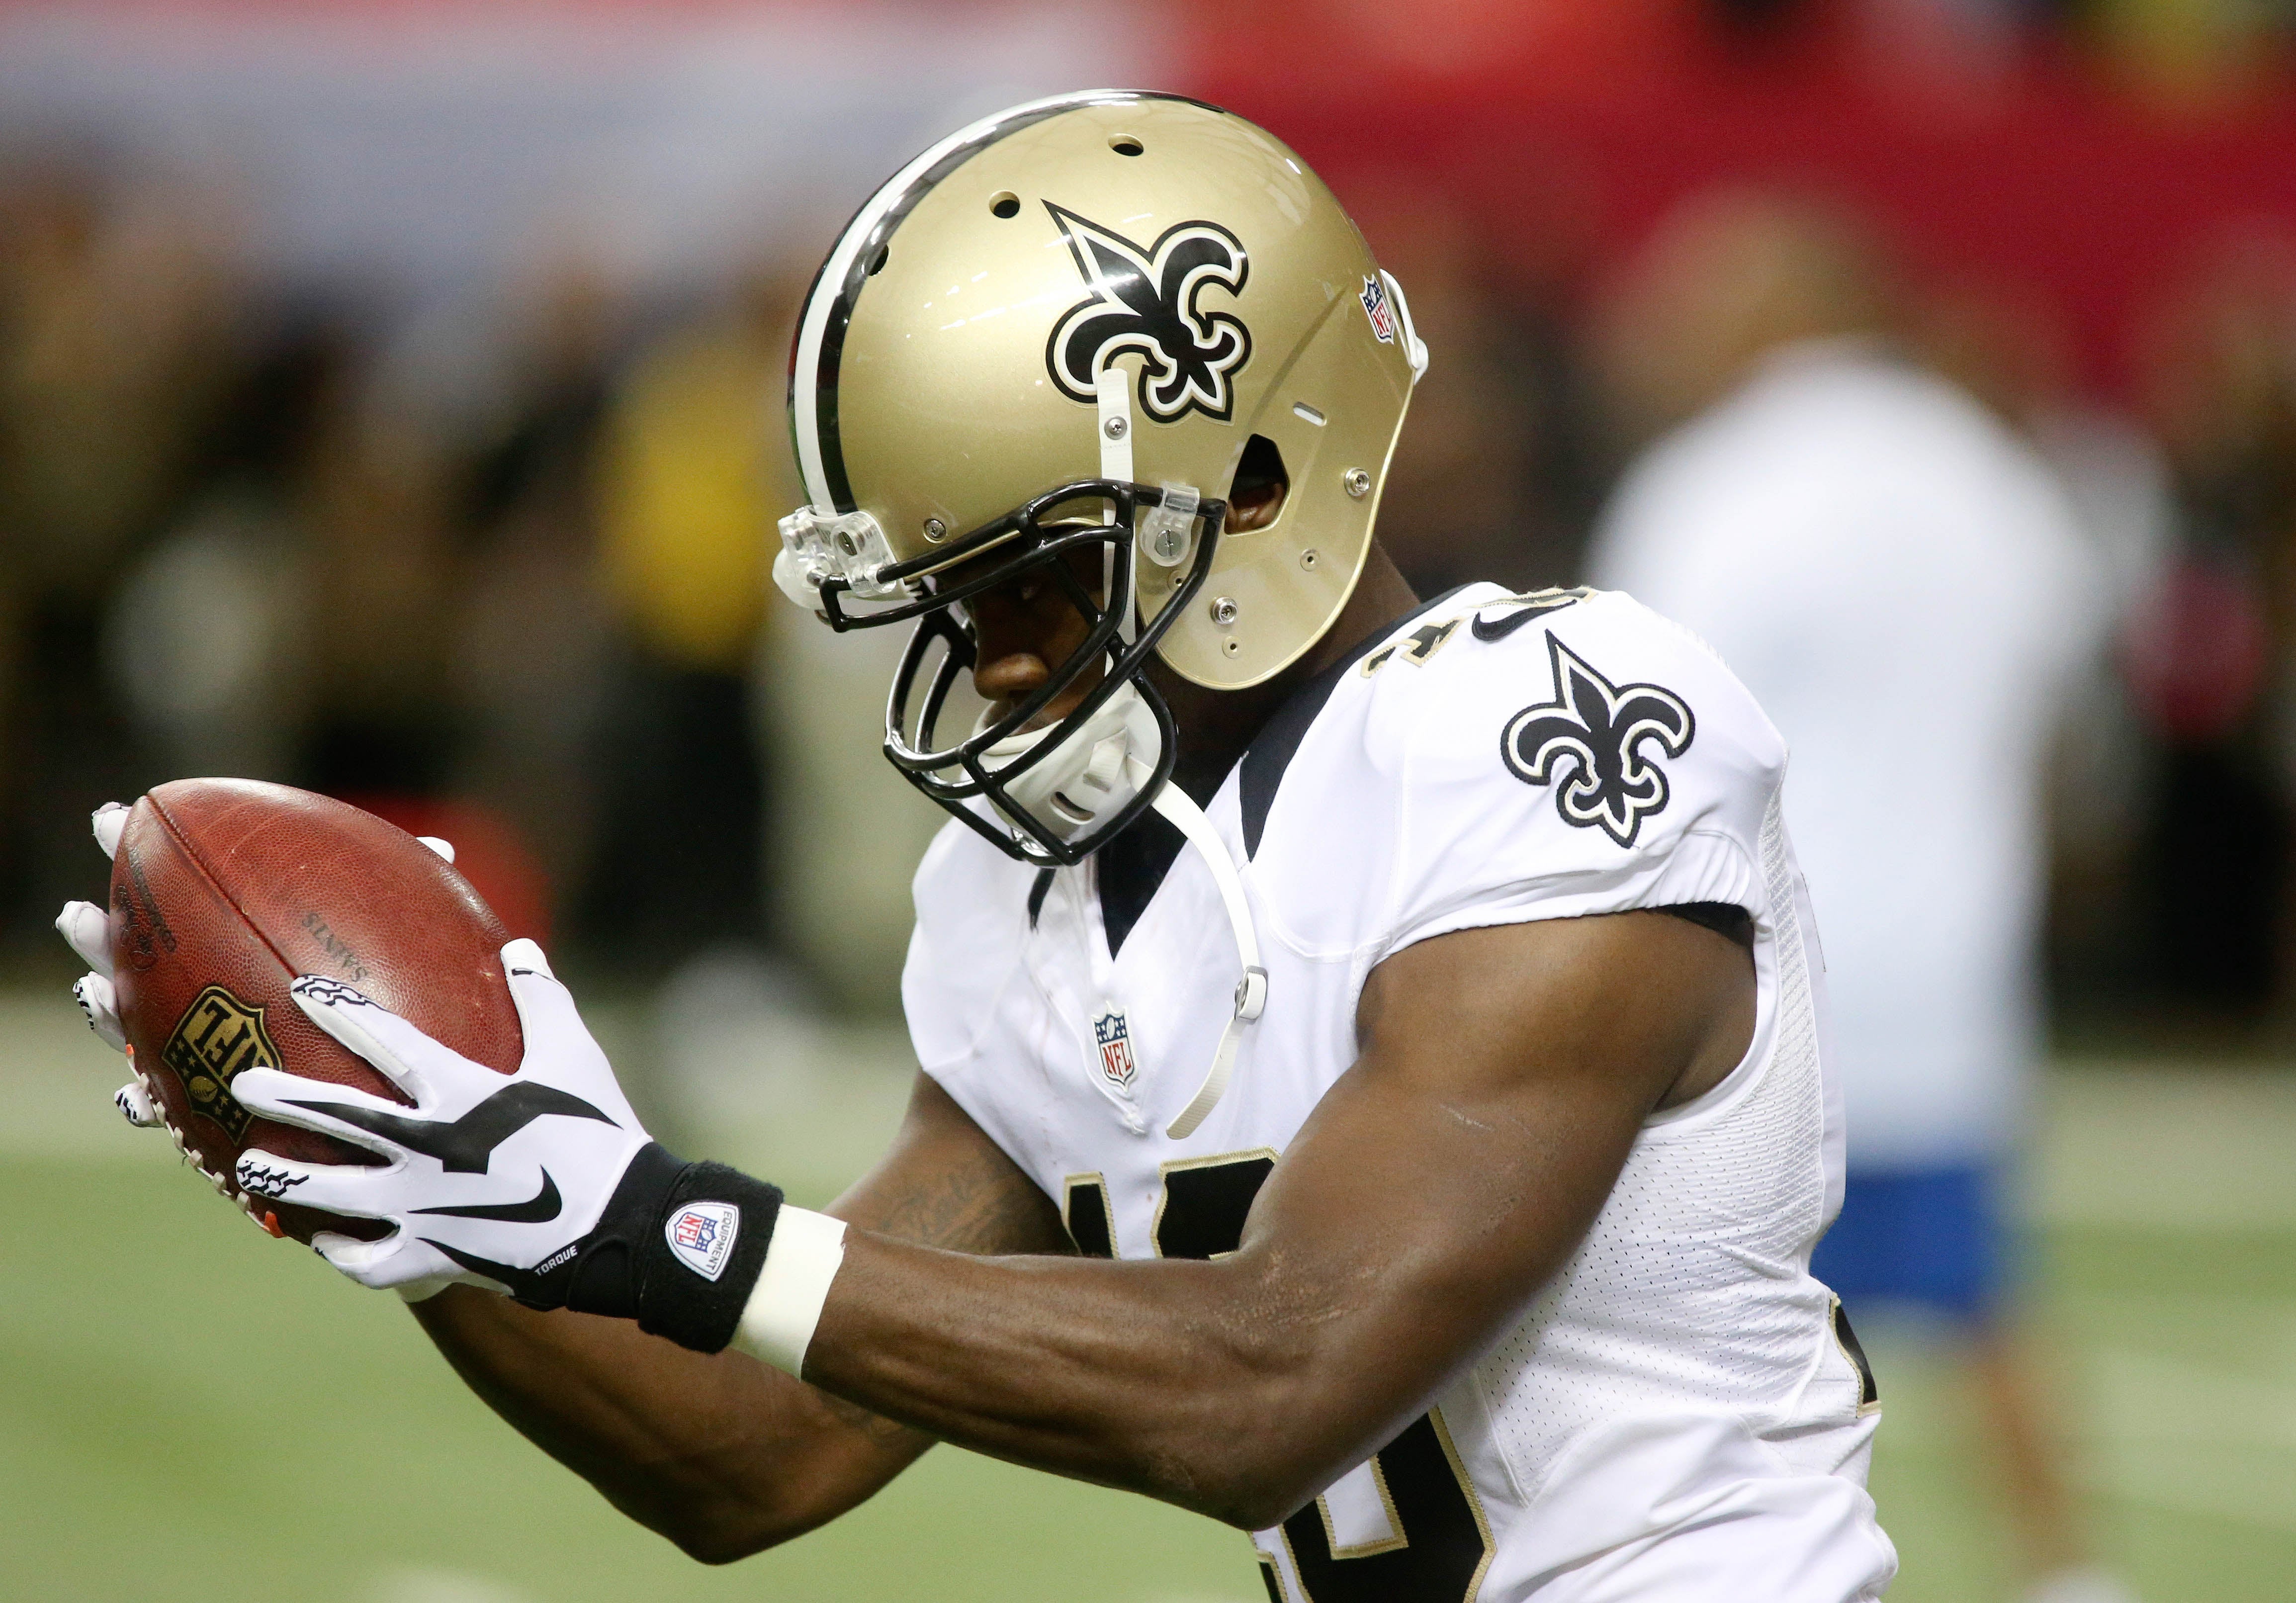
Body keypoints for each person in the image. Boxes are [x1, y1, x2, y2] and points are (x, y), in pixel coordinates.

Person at [57, 95, 1894, 1602]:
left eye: (1029, 579)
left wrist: (648, 1218)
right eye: (942, 605)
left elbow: (1280, 1376)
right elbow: (753, 1455)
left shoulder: (1542, 730)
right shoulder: (1041, 890)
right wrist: (426, 1187)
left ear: (1255, 480)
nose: (995, 666)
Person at [1584, 190, 2124, 1603]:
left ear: (1774, 310)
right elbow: (2062, 700)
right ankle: (2071, 1580)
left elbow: (1628, 737)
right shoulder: (1988, 474)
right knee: (1974, 1298)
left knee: (1665, 1327)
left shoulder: (1713, 482)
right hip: (1947, 962)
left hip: (1741, 982)